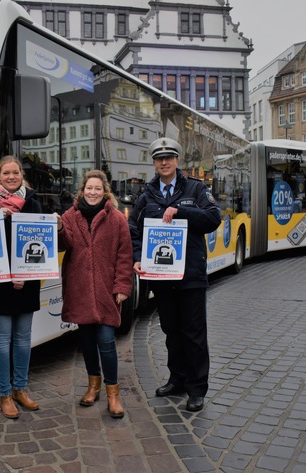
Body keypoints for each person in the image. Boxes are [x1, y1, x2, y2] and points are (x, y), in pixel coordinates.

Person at [129, 137, 221, 412]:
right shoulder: (146, 196)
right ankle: (177, 379)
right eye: (159, 158)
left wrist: (182, 211)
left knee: (194, 334)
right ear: (154, 162)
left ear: (177, 160)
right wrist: (136, 258)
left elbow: (213, 218)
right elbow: (134, 229)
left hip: (191, 277)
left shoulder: (196, 188)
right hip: (162, 277)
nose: (164, 162)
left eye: (169, 157)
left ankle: (196, 389)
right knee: (171, 331)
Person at [58, 170, 133, 418]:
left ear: (104, 191)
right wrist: (58, 228)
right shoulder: (70, 216)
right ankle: (93, 386)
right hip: (80, 288)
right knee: (87, 342)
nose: (92, 192)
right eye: (89, 188)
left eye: (97, 188)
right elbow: (63, 244)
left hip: (105, 291)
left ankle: (113, 394)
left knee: (106, 341)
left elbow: (125, 255)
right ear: (83, 190)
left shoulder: (117, 220)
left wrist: (122, 286)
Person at [0, 155, 42, 419]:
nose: (12, 177)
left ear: (21, 175)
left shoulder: (33, 204)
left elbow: (41, 244)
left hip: (25, 282)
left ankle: (21, 389)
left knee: (24, 340)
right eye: (6, 173)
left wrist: (27, 274)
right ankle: (5, 393)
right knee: (2, 341)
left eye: (16, 172)